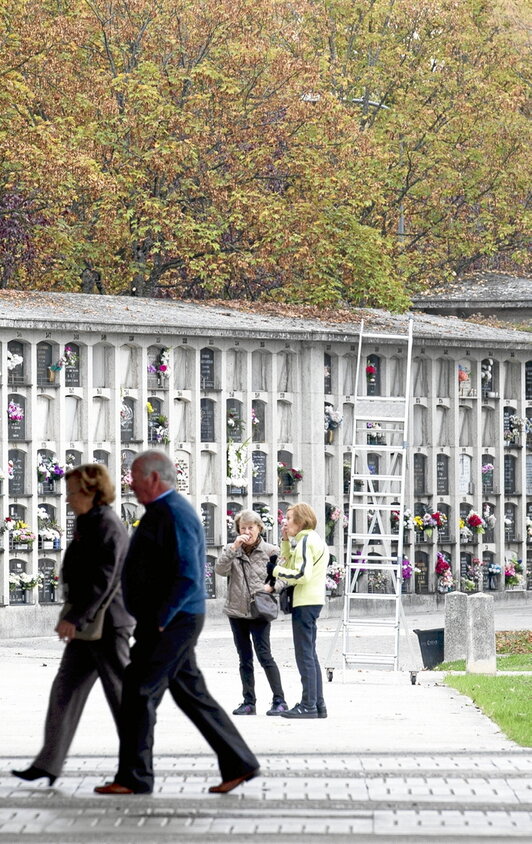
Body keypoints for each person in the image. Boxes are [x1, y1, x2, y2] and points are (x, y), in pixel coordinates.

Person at [94, 450, 260, 796]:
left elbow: (188, 574)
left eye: (135, 477)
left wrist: (160, 619)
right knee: (191, 694)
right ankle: (240, 762)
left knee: (138, 691)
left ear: (154, 478)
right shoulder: (161, 511)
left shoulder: (175, 512)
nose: (130, 484)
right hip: (168, 619)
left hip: (173, 620)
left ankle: (135, 778)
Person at [12, 464, 133, 786]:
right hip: (88, 623)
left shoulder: (108, 523)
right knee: (64, 690)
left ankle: (136, 768)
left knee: (122, 698)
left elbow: (105, 579)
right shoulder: (87, 521)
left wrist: (74, 618)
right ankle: (48, 763)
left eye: (72, 493)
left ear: (92, 492)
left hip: (107, 624)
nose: (67, 500)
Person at [216, 510, 287, 716]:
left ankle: (279, 700)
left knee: (265, 655)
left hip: (259, 610)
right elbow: (220, 569)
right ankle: (249, 702)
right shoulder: (233, 550)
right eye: (243, 528)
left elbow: (283, 577)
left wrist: (272, 588)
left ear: (259, 528)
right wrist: (233, 548)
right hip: (236, 611)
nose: (247, 532)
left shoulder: (271, 550)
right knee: (244, 658)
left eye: (250, 527)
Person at [268, 503, 329, 719]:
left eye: (290, 517)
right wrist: (285, 540)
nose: (285, 521)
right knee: (310, 654)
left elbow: (301, 574)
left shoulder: (305, 540)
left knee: (304, 655)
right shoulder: (312, 539)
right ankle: (318, 705)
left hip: (304, 602)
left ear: (302, 521)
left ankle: (308, 706)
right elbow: (291, 560)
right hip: (313, 601)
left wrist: (275, 571)